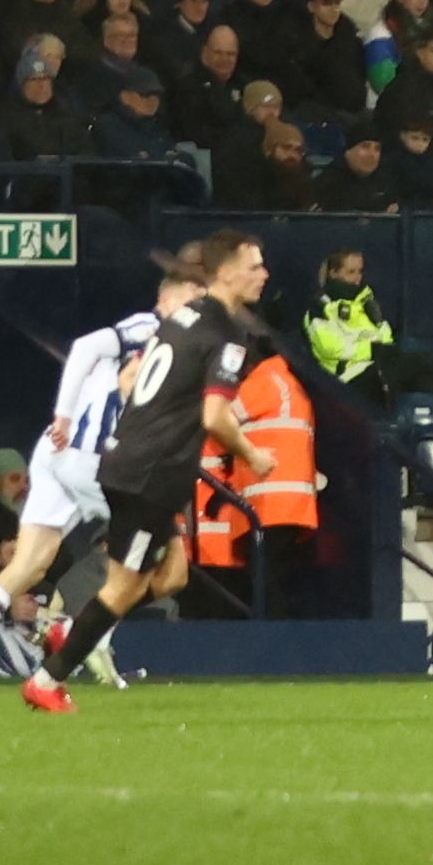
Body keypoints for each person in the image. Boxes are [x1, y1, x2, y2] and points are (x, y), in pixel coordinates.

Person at [0, 249, 186, 711]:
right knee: (165, 563)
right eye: (192, 297)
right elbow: (119, 374)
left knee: (31, 564)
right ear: (170, 299)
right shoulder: (152, 330)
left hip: (56, 451)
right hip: (91, 455)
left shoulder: (157, 337)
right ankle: (88, 638)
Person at [57, 226, 279, 689]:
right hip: (150, 471)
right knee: (125, 586)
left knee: (172, 577)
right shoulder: (226, 334)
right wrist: (252, 455)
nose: (264, 273)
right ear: (228, 273)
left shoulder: (181, 318)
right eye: (255, 266)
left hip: (145, 463)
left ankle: (80, 634)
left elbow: (132, 382)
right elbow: (215, 416)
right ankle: (54, 667)